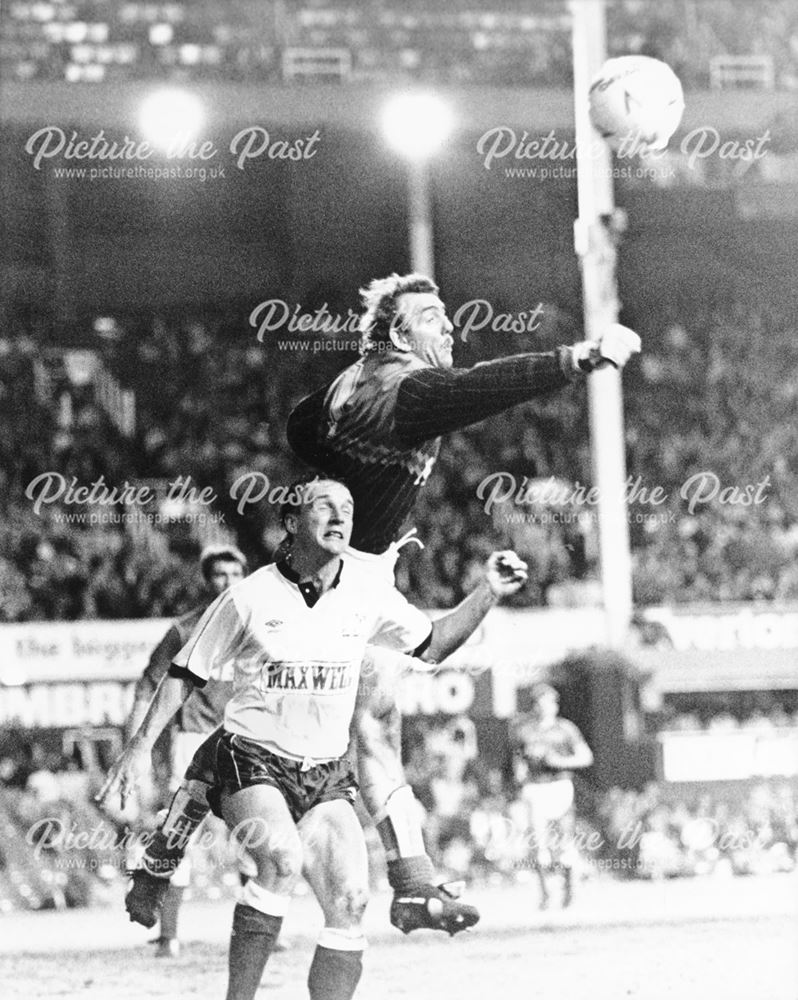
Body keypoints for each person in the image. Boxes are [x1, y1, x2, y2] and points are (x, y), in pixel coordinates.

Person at [122, 272, 639, 936]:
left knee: (279, 733)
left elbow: (299, 428)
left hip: (352, 575)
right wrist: (580, 357)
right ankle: (412, 886)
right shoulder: (408, 390)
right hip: (342, 583)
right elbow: (485, 387)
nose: (448, 328)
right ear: (398, 333)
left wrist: (346, 432)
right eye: (431, 317)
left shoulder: (359, 385)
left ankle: (167, 858)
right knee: (353, 729)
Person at [98, 478, 527, 1000]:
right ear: (293, 523)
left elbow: (433, 645)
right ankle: (175, 894)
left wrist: (487, 593)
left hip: (324, 772)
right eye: (323, 504)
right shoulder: (250, 596)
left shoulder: (368, 596)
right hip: (250, 756)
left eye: (347, 506)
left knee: (350, 899)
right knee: (279, 857)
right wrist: (138, 750)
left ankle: (162, 861)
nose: (339, 514)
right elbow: (183, 674)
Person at [125, 544, 246, 957]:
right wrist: (135, 745)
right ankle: (169, 936)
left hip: (243, 739)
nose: (227, 582)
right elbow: (148, 683)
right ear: (206, 580)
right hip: (193, 740)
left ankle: (261, 932)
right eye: (219, 575)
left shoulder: (257, 627)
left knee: (253, 832)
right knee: (178, 834)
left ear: (244, 577)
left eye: (234, 574)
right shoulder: (184, 628)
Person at [510, 683, 593, 908]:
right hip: (536, 787)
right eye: (540, 702)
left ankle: (568, 890)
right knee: (538, 844)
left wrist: (560, 762)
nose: (545, 707)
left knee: (564, 843)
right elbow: (518, 761)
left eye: (549, 702)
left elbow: (585, 757)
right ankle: (546, 893)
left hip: (559, 785)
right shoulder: (525, 731)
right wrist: (521, 776)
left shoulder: (565, 729)